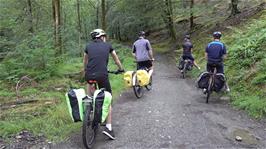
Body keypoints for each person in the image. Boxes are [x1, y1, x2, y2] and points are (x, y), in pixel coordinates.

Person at [83, 29, 124, 140]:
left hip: (89, 75)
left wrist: (85, 72)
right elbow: (116, 59)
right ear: (102, 37)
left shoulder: (88, 46)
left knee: (90, 82)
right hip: (102, 75)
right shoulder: (108, 45)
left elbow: (85, 62)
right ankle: (109, 128)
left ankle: (90, 103)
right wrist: (121, 69)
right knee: (108, 99)